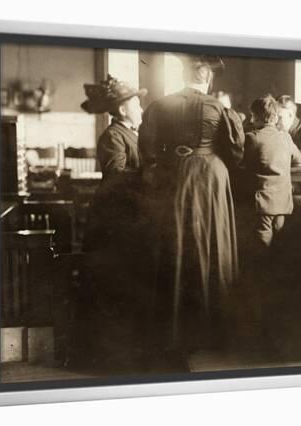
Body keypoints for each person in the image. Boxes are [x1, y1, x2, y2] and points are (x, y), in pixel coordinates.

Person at [138, 55, 245, 363]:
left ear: (184, 76)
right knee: (212, 245)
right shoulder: (218, 108)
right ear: (207, 79)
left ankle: (174, 330)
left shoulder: (161, 105)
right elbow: (235, 151)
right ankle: (212, 330)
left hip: (174, 178)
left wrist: (169, 160)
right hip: (210, 179)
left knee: (177, 246)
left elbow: (145, 147)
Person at [75, 75, 149, 371]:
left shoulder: (133, 134)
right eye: (136, 103)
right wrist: (151, 174)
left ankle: (126, 354)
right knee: (112, 286)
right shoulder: (113, 136)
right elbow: (117, 177)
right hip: (113, 222)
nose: (141, 108)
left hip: (128, 218)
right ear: (122, 111)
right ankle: (106, 359)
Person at [244, 94, 301, 252]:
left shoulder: (252, 138)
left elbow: (243, 165)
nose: (250, 120)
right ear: (274, 117)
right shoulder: (285, 137)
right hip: (283, 201)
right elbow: (298, 161)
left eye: (252, 116)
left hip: (263, 201)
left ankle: (263, 272)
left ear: (258, 117)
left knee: (262, 242)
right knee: (279, 238)